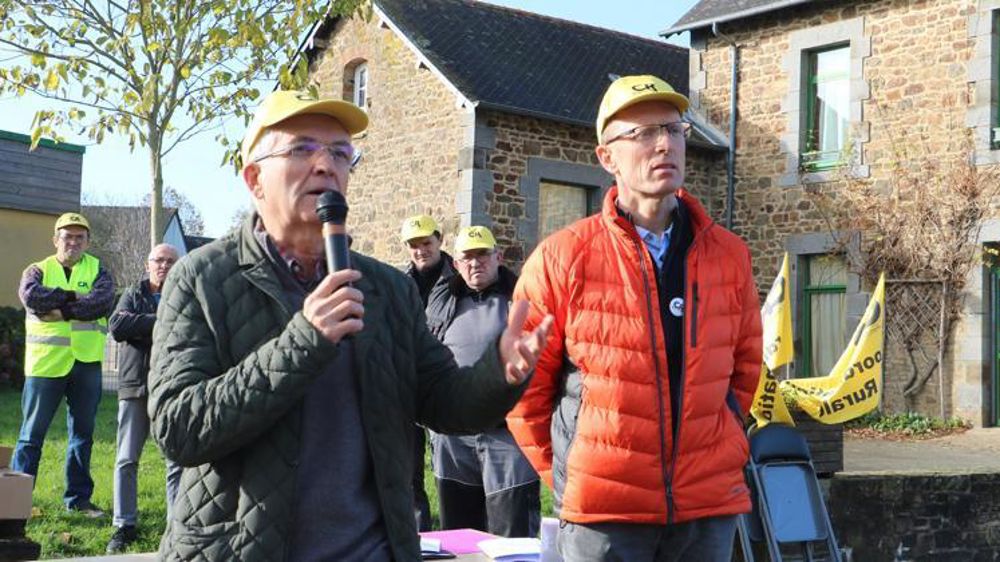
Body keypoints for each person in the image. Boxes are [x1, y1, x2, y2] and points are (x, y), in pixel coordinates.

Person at [147, 90, 553, 561]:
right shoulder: (200, 278)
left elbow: (445, 404)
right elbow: (179, 429)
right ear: (254, 179)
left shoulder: (386, 288)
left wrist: (498, 372)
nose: (325, 165)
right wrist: (304, 341)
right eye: (301, 149)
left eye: (341, 153)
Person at [507, 74, 763, 561]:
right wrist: (573, 470)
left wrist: (721, 437)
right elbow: (522, 390)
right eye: (643, 134)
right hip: (605, 516)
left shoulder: (730, 256)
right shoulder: (561, 258)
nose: (663, 143)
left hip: (706, 509)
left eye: (672, 128)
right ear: (607, 158)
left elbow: (745, 370)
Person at [426, 226, 540, 537]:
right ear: (457, 264)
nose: (475, 263)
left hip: (506, 435)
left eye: (483, 255)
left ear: (498, 257)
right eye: (467, 257)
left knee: (511, 532)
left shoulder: (520, 297)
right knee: (459, 533)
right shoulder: (441, 299)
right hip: (453, 436)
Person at [13, 211, 115, 517]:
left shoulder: (100, 271)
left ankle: (78, 501)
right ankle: (15, 504)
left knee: (82, 436)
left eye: (79, 237)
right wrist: (74, 298)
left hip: (86, 364)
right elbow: (33, 298)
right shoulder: (36, 270)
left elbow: (100, 302)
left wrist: (60, 308)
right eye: (67, 236)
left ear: (87, 241)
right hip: (45, 366)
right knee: (31, 436)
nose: (73, 241)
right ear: (55, 239)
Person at [105, 243, 185, 553]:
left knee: (176, 459)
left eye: (169, 261)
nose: (163, 266)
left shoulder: (184, 291)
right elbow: (118, 326)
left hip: (172, 388)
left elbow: (189, 330)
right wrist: (161, 322)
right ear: (147, 264)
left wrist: (144, 323)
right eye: (158, 260)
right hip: (135, 385)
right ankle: (124, 525)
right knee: (126, 458)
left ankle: (177, 525)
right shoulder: (133, 293)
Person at [400, 214, 454, 532]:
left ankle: (453, 537)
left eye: (426, 243)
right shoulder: (398, 283)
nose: (421, 250)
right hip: (406, 388)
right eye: (414, 245)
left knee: (448, 474)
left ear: (439, 241)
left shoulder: (458, 279)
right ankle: (418, 539)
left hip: (442, 386)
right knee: (408, 476)